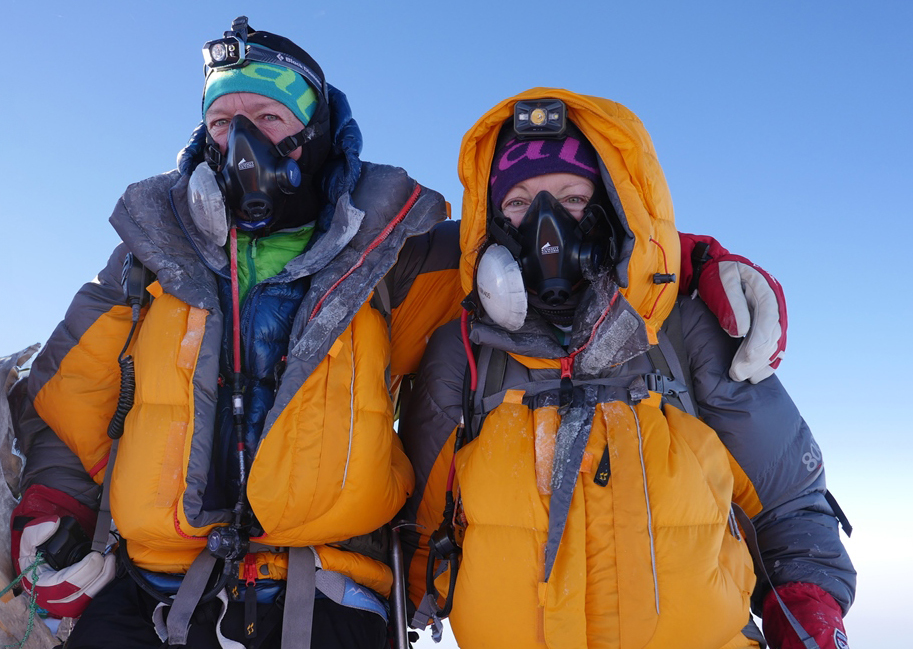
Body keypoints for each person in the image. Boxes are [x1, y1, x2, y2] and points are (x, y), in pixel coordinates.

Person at [6, 18, 789, 649]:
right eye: (221, 120)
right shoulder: (148, 256)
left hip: (329, 596)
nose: (237, 141)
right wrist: (53, 503)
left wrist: (692, 260)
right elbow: (70, 398)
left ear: (310, 133)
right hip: (154, 594)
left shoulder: (396, 253)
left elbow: (545, 256)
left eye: (266, 116)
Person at [399, 90, 854, 649]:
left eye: (571, 196)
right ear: (491, 227)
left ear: (612, 208)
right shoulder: (463, 353)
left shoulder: (687, 333)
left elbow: (789, 507)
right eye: (518, 203)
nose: (546, 225)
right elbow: (417, 534)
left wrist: (807, 615)